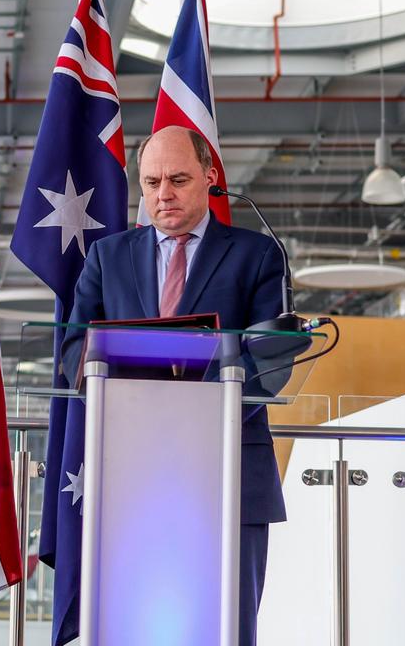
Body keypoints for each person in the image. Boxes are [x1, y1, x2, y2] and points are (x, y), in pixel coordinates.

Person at [62, 125, 286, 646]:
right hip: (132, 471)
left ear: (210, 177)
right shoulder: (107, 257)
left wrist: (200, 413)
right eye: (152, 181)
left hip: (230, 469)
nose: (164, 194)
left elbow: (272, 360)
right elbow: (73, 349)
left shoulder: (258, 255)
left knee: (227, 626)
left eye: (179, 179)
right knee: (130, 625)